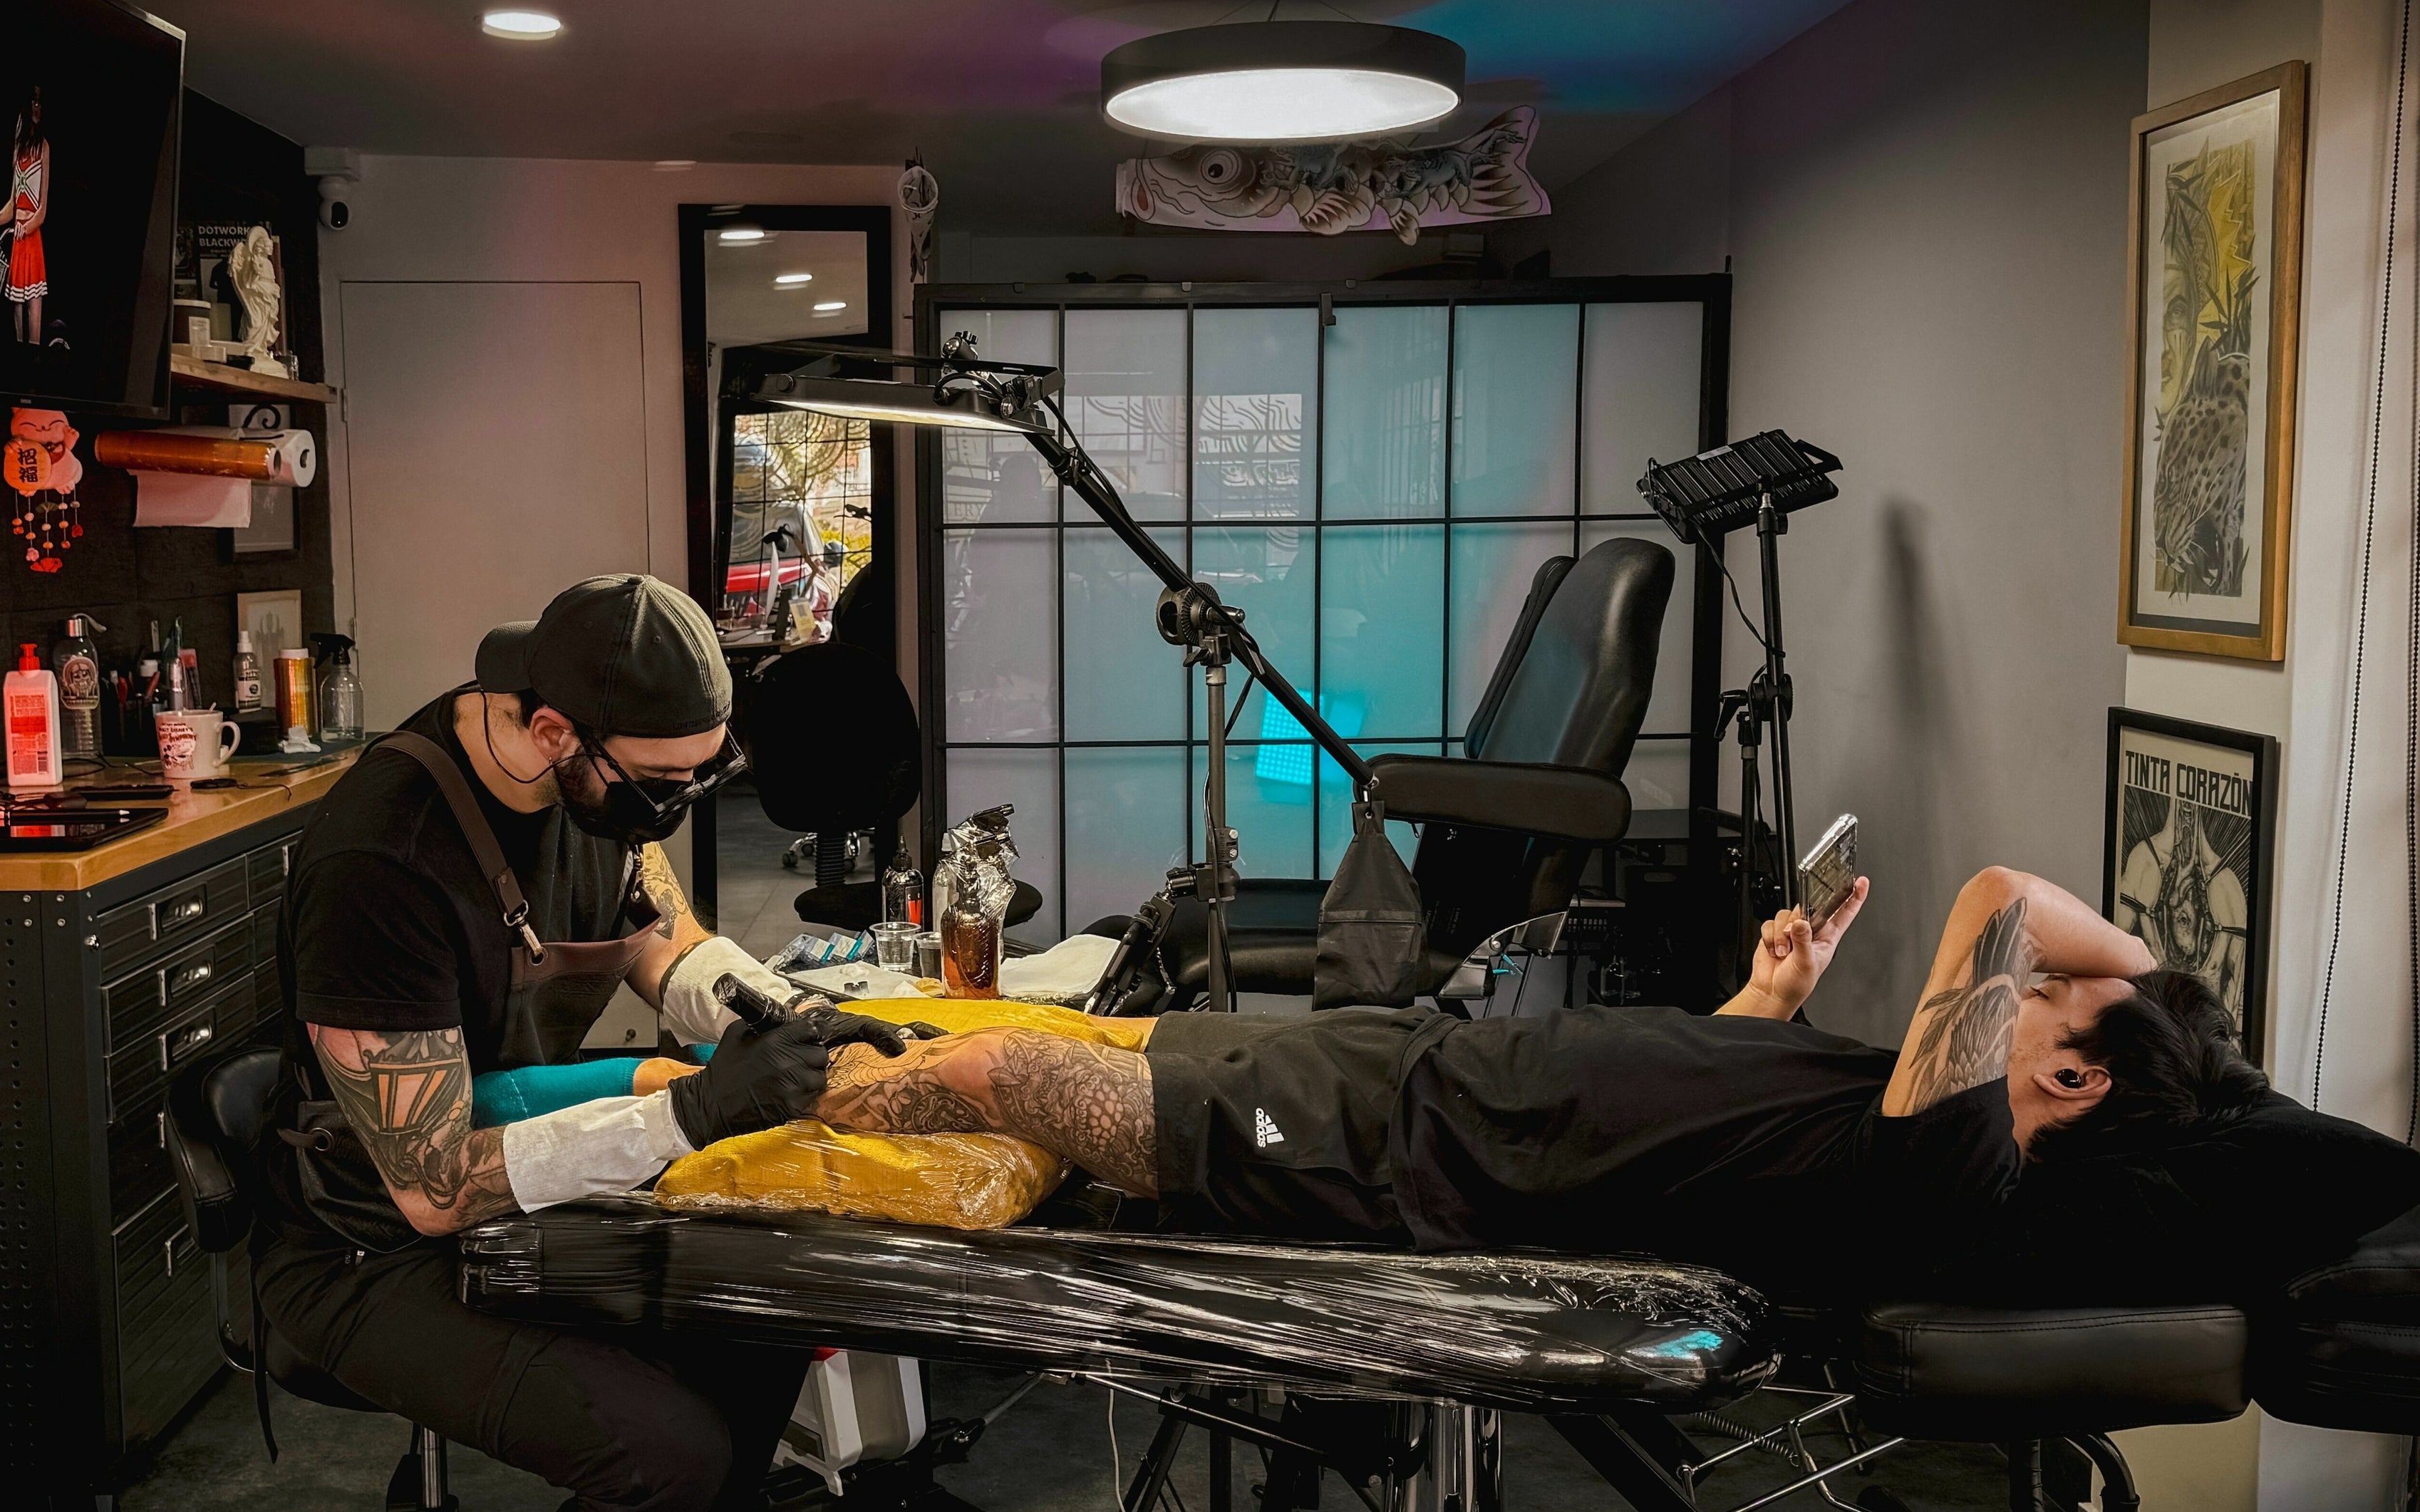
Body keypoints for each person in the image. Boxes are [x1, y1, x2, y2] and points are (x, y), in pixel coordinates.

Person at [793, 866, 2271, 1295]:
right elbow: (1686, 1117)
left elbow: (1998, 889)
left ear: (2075, 1072)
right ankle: (811, 1063)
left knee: (1001, 1069)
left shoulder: (1960, 1168)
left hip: (1392, 1149)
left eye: (2055, 1003)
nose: (2025, 991)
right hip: (1412, 1071)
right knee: (1021, 1043)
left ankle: (777, 1110)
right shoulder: (1897, 1105)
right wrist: (1769, 998)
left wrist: (2134, 970)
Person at [257, 574, 918, 1512]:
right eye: (660, 781)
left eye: (702, 772)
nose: (679, 801)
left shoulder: (588, 784)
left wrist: (784, 1011)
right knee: (668, 1453)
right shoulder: (385, 865)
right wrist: (695, 1107)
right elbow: (434, 1187)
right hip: (369, 1245)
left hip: (513, 1170)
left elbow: (666, 942)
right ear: (557, 732)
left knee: (773, 1309)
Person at [0, 84, 51, 346]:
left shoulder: (43, 148)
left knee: (33, 305)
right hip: (18, 238)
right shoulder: (18, 151)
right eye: (33, 102)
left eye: (40, 103)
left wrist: (28, 225)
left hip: (31, 237)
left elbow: (42, 208)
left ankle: (34, 357)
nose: (37, 108)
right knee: (17, 307)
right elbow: (13, 203)